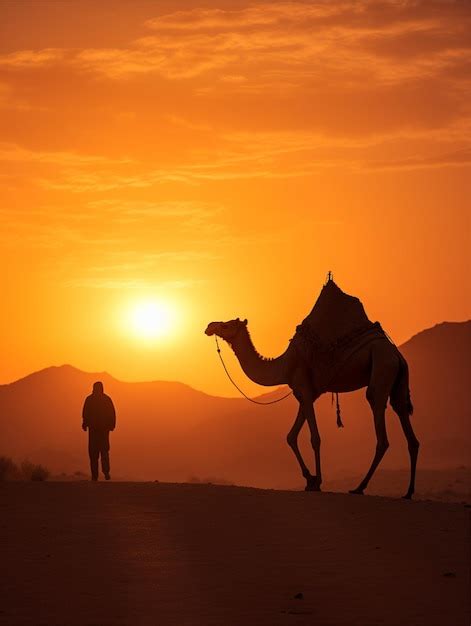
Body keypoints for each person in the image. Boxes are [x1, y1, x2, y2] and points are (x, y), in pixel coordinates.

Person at [82, 381, 116, 481]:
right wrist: (112, 425)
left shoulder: (90, 399)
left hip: (96, 431)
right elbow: (112, 414)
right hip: (101, 431)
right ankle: (102, 473)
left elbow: (85, 414)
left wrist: (85, 424)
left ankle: (97, 475)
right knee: (101, 452)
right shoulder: (106, 399)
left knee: (96, 453)